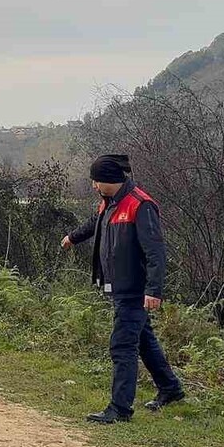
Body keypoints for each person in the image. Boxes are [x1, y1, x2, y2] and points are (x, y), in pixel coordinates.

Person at [61, 154, 184, 424]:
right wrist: (72, 237)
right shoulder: (109, 203)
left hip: (134, 289)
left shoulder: (140, 205)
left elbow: (156, 252)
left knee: (122, 345)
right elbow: (95, 225)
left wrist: (154, 290)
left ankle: (119, 409)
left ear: (110, 180)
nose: (93, 185)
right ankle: (171, 388)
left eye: (96, 180)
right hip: (118, 285)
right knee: (143, 340)